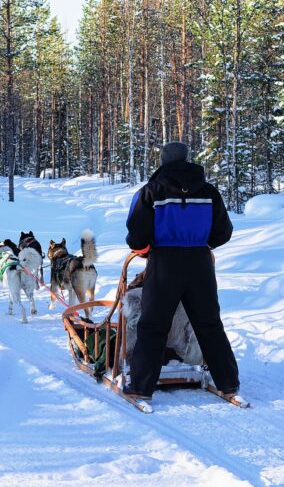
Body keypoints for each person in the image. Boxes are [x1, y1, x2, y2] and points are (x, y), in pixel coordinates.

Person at [123, 141, 240, 401]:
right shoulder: (209, 191)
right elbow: (224, 232)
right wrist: (201, 243)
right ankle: (229, 382)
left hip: (165, 261)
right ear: (187, 159)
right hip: (200, 262)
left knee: (153, 324)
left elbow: (136, 236)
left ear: (163, 161)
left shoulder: (151, 191)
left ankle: (141, 386)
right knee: (209, 323)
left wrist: (147, 247)